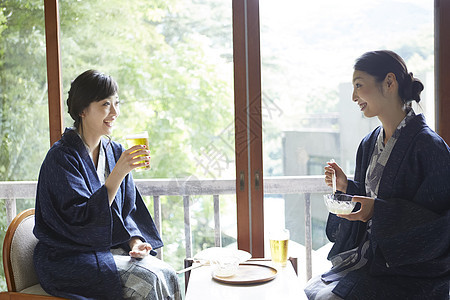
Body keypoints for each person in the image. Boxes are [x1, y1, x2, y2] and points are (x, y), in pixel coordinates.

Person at [304, 50, 450, 299]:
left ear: (389, 83)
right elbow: (368, 196)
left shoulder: (430, 146)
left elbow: (440, 226)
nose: (353, 97)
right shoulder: (369, 142)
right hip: (372, 261)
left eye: (359, 85)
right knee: (313, 289)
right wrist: (346, 187)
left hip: (410, 275)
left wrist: (378, 211)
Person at [33, 70, 181, 300]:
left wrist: (135, 241)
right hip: (68, 257)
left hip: (107, 250)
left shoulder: (115, 152)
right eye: (105, 104)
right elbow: (79, 220)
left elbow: (127, 212)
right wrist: (118, 172)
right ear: (83, 110)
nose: (115, 112)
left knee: (168, 272)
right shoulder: (61, 158)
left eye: (116, 104)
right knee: (146, 280)